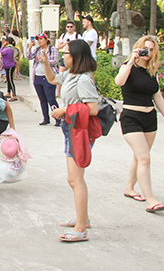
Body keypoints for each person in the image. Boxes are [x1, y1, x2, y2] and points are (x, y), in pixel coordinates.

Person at [38, 39, 98, 242]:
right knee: (75, 179)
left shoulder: (84, 79)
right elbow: (53, 79)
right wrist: (45, 63)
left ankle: (81, 228)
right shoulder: (70, 75)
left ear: (76, 56)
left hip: (79, 130)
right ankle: (84, 219)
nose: (64, 56)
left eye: (67, 53)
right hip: (70, 128)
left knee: (75, 179)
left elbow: (92, 108)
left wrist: (65, 110)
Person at [115, 36, 164, 213]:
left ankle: (129, 188)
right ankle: (151, 200)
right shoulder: (128, 67)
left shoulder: (151, 71)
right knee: (145, 158)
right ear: (138, 48)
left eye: (151, 49)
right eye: (144, 48)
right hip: (131, 117)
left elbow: (157, 95)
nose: (147, 53)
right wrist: (131, 61)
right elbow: (119, 81)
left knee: (139, 156)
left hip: (149, 118)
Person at [28, 33, 60, 126]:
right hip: (38, 76)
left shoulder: (52, 49)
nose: (40, 41)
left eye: (41, 39)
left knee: (51, 99)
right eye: (38, 39)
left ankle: (58, 118)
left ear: (46, 40)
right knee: (42, 99)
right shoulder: (37, 49)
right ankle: (46, 118)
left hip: (48, 77)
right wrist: (30, 47)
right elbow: (29, 57)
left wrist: (44, 60)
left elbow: (54, 61)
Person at [0, 37, 18, 102]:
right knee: (8, 79)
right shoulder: (12, 48)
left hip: (10, 66)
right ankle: (8, 92)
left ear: (7, 42)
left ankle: (14, 95)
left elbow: (0, 53)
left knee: (10, 80)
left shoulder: (7, 49)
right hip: (8, 66)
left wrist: (2, 46)